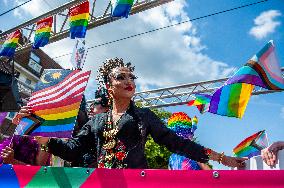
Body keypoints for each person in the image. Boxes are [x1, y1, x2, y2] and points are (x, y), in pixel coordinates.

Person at [13, 58, 247, 169]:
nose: (129, 81)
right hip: (101, 182)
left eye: (131, 77)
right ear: (108, 86)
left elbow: (177, 143)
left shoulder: (144, 117)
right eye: (121, 77)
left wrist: (221, 158)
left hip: (135, 183)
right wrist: (44, 138)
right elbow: (73, 149)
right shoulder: (97, 121)